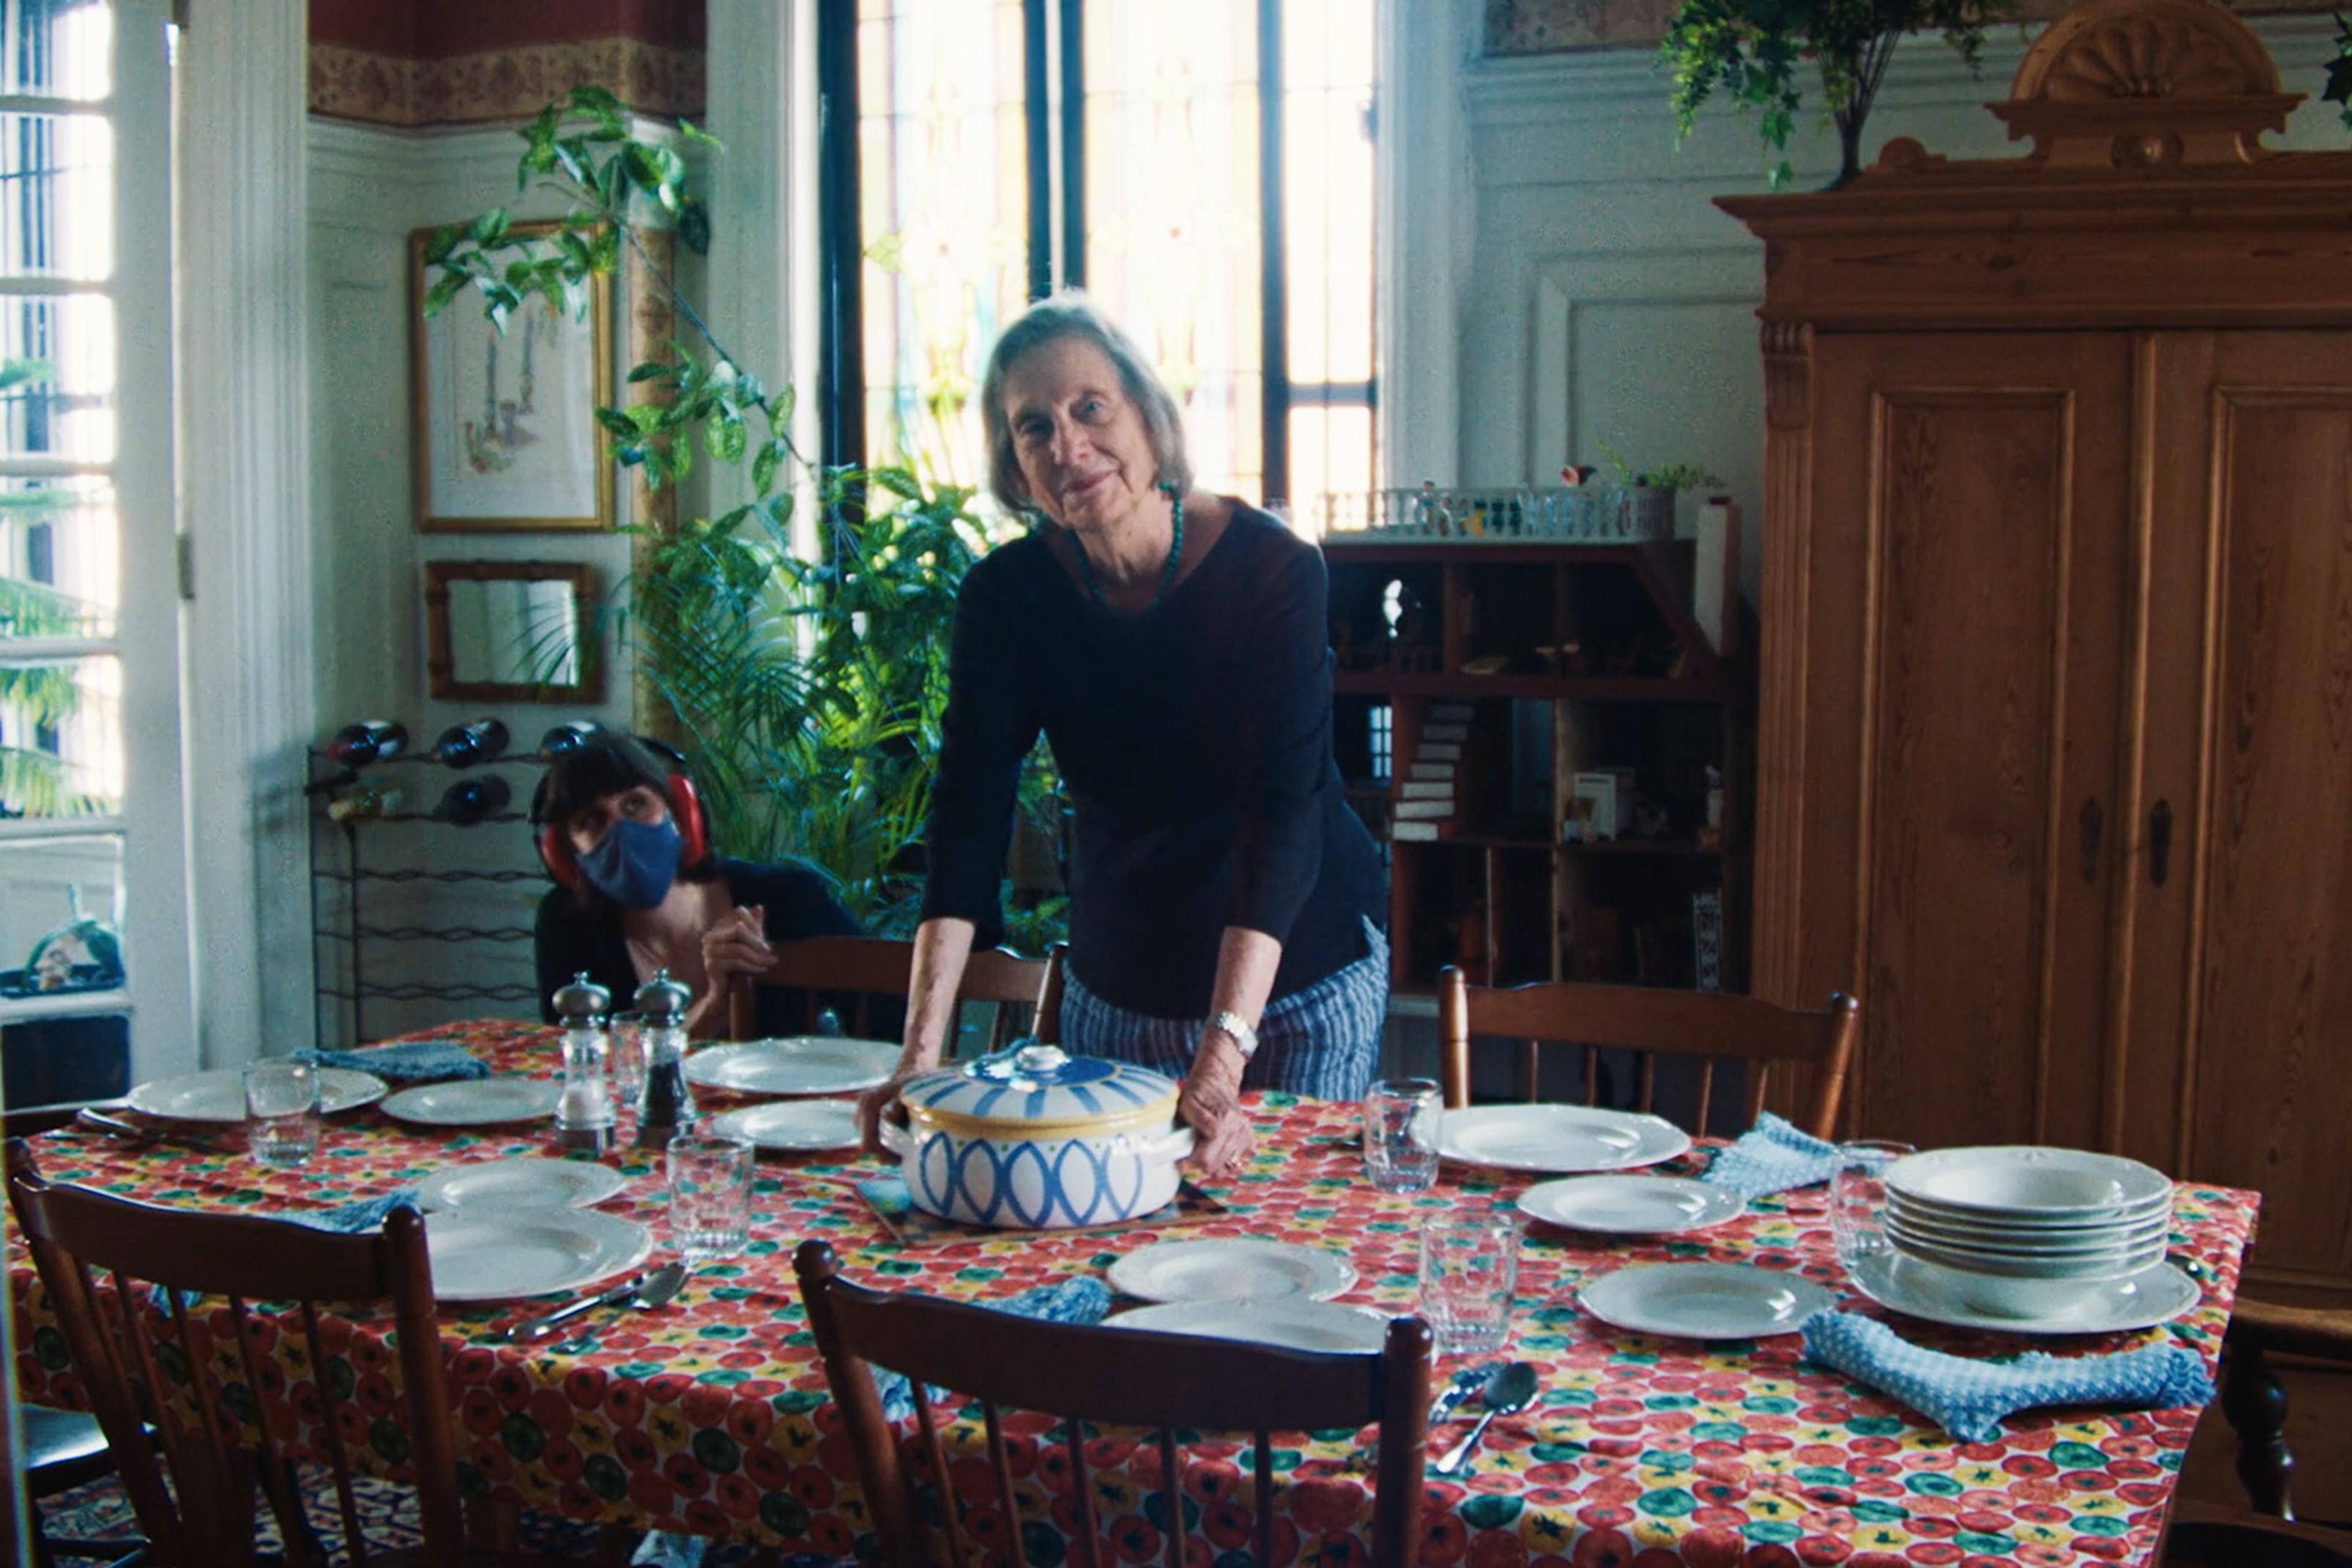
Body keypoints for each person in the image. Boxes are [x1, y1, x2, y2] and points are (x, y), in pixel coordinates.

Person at [857, 292, 1389, 1176]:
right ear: (1014, 463)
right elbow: (968, 816)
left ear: (1147, 413)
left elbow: (1284, 812)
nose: (1068, 446)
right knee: (1114, 1262)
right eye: (1034, 427)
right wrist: (918, 1056)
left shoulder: (1274, 570)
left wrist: (1223, 1056)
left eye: (1089, 408)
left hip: (1293, 982)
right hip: (1121, 982)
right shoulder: (1007, 597)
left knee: (1280, 1250)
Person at [530, 734, 868, 1038]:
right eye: (591, 821)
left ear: (680, 814)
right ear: (568, 854)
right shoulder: (566, 923)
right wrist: (716, 1003)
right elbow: (588, 1063)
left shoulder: (787, 897)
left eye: (635, 805)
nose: (621, 830)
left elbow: (894, 1009)